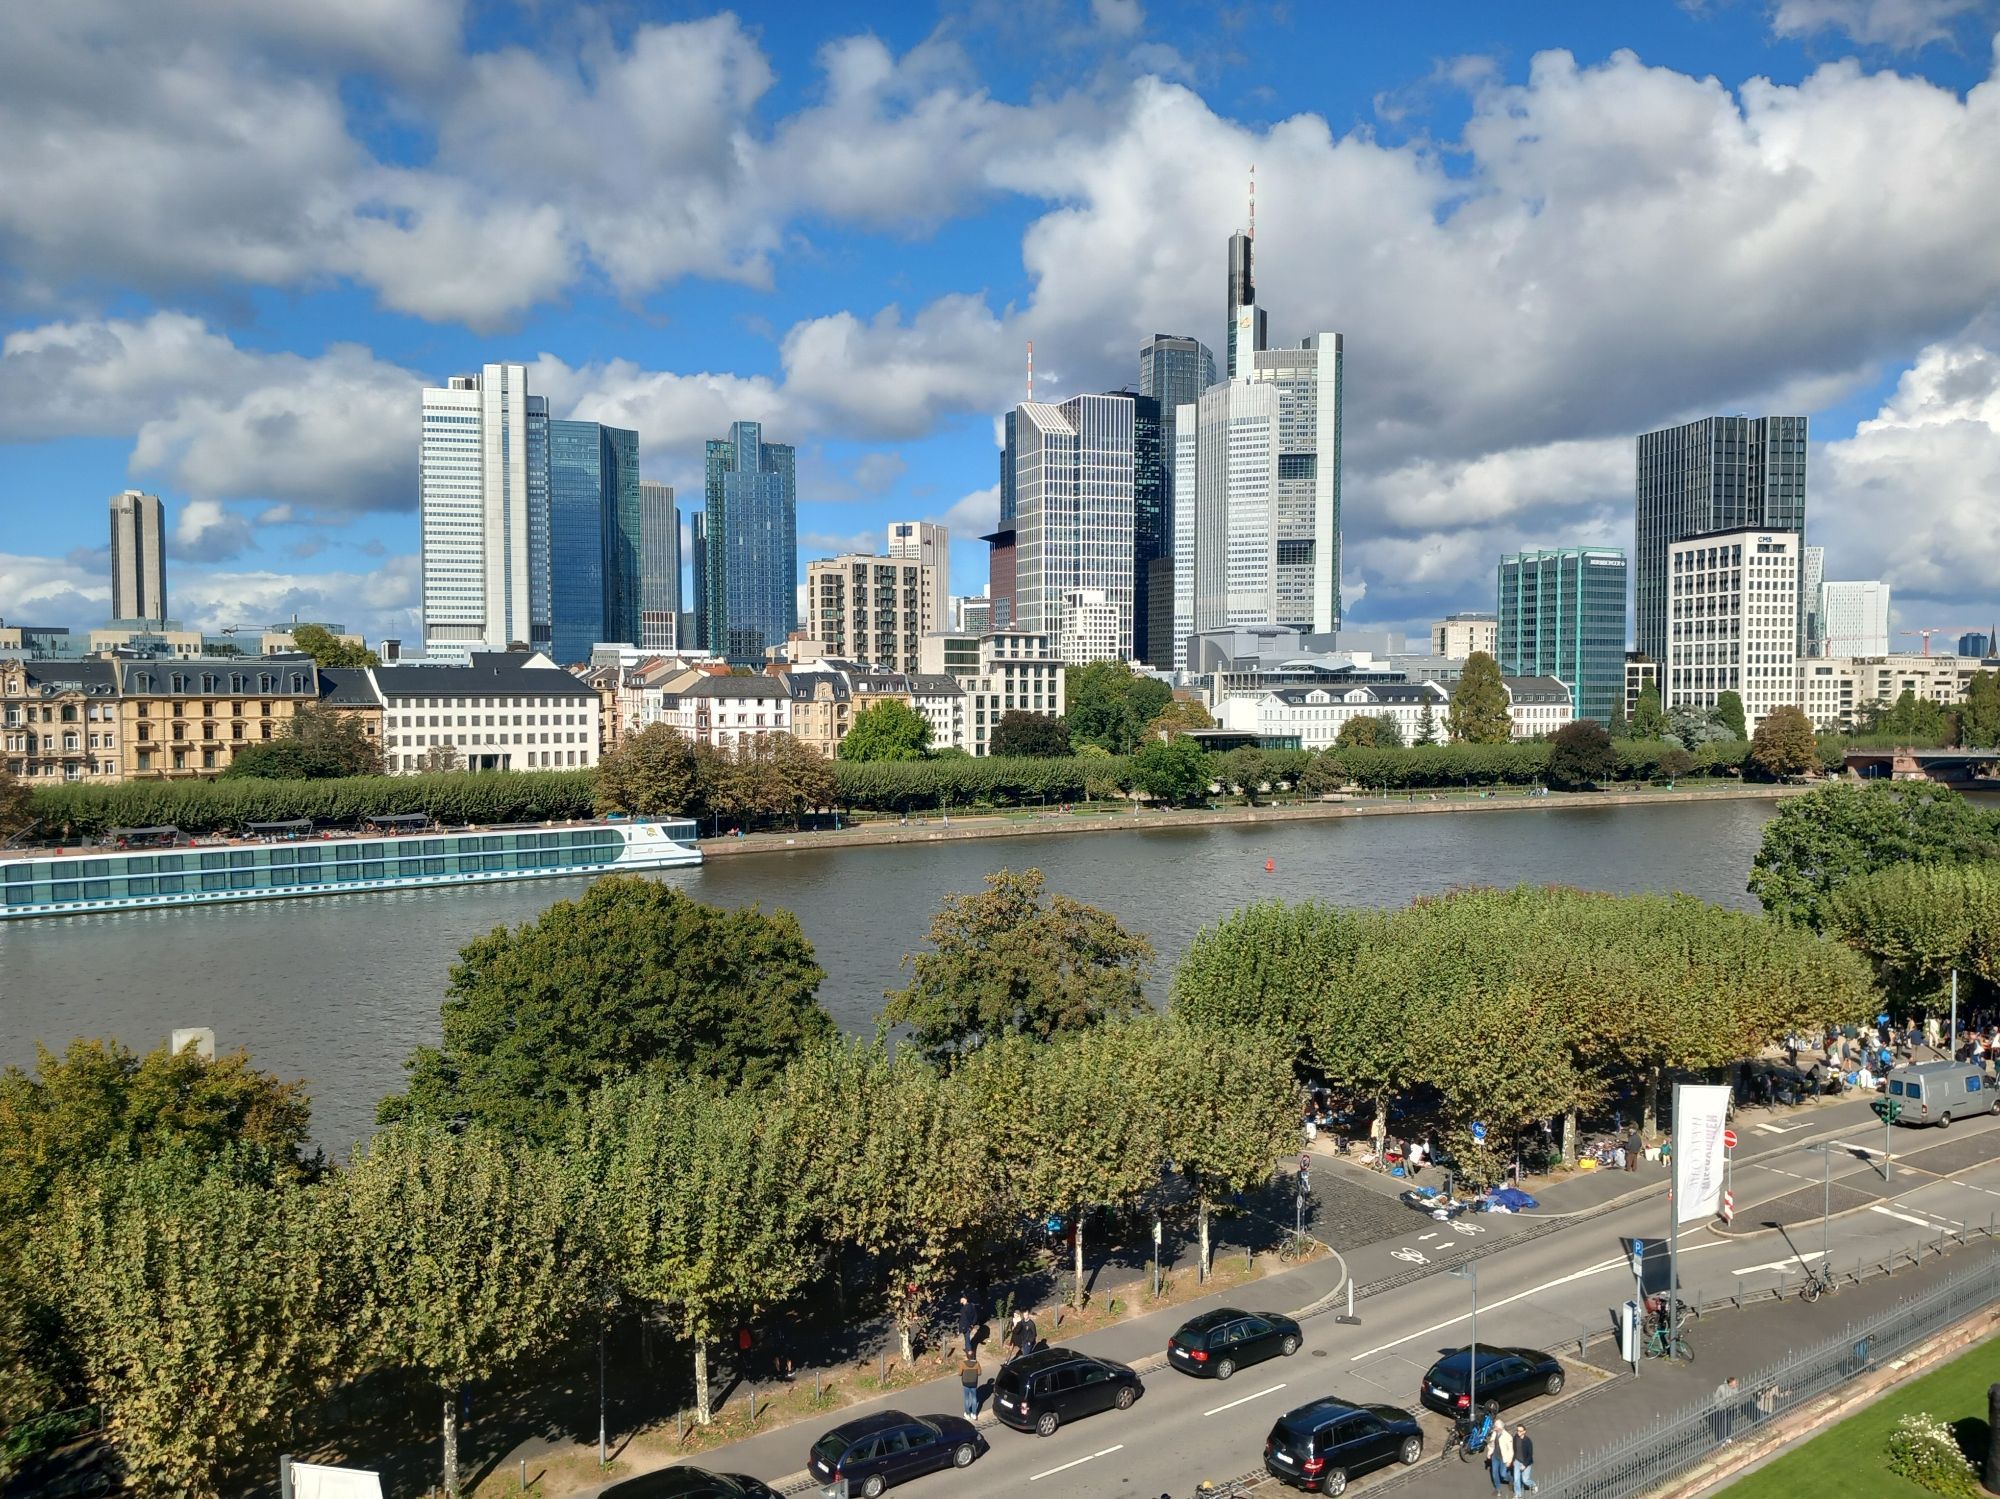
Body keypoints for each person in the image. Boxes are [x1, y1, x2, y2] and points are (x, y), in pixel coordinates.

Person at [1489, 1415, 1514, 1494]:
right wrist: (1489, 1453)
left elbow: (1511, 1450)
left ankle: (1510, 1479)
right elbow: (1492, 1444)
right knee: (1494, 1474)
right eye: (1495, 1427)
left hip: (1504, 1458)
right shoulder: (1494, 1433)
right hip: (1495, 1457)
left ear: (1500, 1428)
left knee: (1503, 1474)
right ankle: (1498, 1489)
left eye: (1496, 1427)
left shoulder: (1508, 1437)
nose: (1495, 1428)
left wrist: (1509, 1461)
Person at [1512, 1426, 1537, 1493]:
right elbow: (1514, 1450)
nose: (1518, 1432)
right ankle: (1518, 1495)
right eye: (1517, 1430)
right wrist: (1513, 1460)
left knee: (1525, 1480)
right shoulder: (1515, 1438)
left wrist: (1525, 1465)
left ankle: (1533, 1485)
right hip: (1517, 1461)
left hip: (1526, 1463)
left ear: (1524, 1431)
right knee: (1516, 1479)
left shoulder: (1528, 1441)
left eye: (1520, 1431)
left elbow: (1530, 1455)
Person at [959, 1352, 981, 1417]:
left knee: (966, 1398)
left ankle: (967, 1413)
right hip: (974, 1383)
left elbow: (959, 1373)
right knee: (974, 1398)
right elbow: (979, 1373)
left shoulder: (963, 1363)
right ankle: (974, 1414)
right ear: (973, 1356)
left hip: (965, 1383)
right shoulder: (977, 1363)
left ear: (967, 1356)